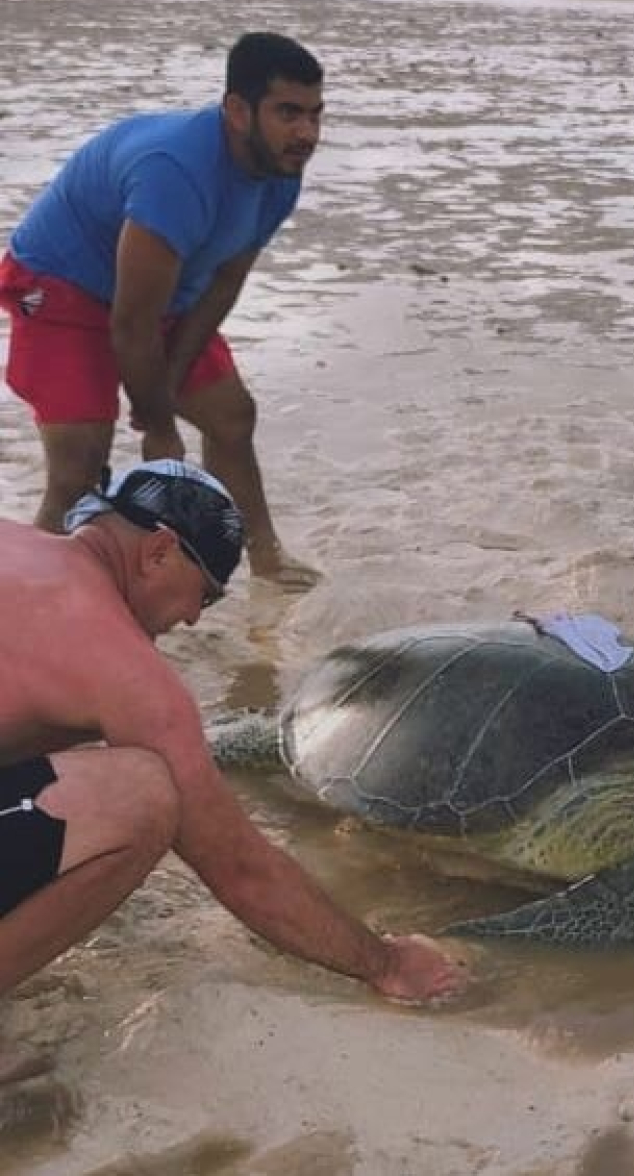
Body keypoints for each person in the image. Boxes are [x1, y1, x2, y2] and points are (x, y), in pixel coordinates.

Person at [0, 459, 467, 1083]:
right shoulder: (118, 659)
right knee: (142, 797)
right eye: (208, 592)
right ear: (160, 551)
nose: (194, 618)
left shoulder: (16, 543)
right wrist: (383, 962)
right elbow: (237, 865)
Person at [0, 32, 325, 588]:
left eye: (317, 114)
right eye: (289, 113)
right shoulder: (174, 171)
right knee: (79, 465)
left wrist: (168, 384)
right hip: (63, 284)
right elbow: (130, 324)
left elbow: (224, 281)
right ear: (237, 110)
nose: (307, 133)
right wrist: (158, 425)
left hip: (165, 288)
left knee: (231, 417)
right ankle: (35, 604)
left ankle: (264, 557)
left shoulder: (279, 173)